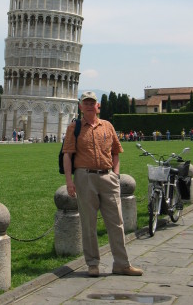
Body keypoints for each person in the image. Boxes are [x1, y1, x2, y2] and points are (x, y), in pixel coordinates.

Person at [63, 91, 143, 278]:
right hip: (85, 177)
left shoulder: (107, 126)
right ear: (81, 107)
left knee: (116, 223)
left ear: (98, 106)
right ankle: (92, 264)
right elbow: (67, 154)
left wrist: (115, 175)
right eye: (86, 103)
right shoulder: (74, 128)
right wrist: (69, 181)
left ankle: (122, 264)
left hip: (108, 177)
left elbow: (116, 152)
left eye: (93, 103)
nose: (90, 106)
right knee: (88, 223)